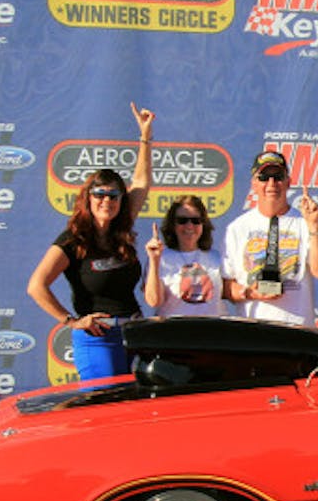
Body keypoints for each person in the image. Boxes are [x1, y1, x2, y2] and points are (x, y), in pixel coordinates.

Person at [27, 102, 154, 381]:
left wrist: (145, 136)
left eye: (113, 195)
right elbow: (36, 286)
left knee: (135, 413)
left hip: (135, 335)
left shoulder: (122, 227)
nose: (106, 201)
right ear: (88, 197)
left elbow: (142, 182)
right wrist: (71, 321)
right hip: (99, 339)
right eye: (99, 194)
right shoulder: (74, 239)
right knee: (104, 411)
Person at [221, 150, 318, 325]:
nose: (271, 184)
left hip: (296, 331)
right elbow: (227, 287)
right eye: (264, 177)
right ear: (254, 183)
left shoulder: (305, 223)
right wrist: (251, 293)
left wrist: (314, 227)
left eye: (278, 176)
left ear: (288, 182)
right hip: (253, 332)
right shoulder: (237, 228)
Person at [144, 195, 226, 317]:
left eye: (195, 220)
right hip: (174, 332)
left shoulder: (217, 258)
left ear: (203, 224)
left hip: (210, 332)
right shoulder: (161, 258)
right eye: (182, 220)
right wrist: (154, 261)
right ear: (173, 225)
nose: (189, 226)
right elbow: (154, 301)